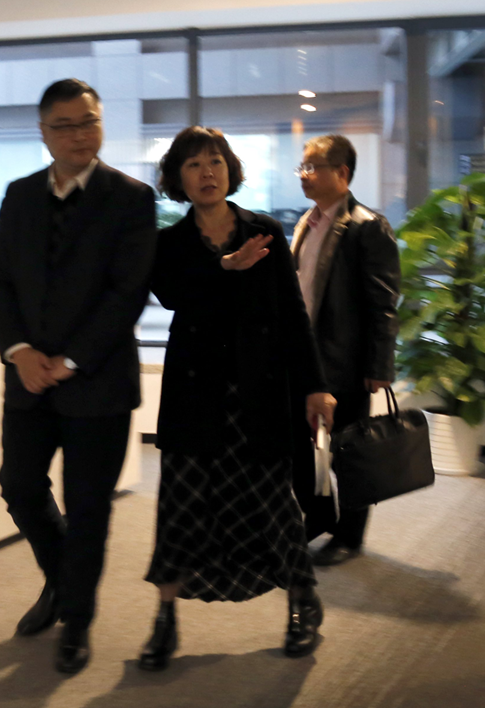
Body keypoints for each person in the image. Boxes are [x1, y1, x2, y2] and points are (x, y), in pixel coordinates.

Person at [138, 126, 337, 672]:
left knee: (274, 502)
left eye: (216, 162)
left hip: (258, 391)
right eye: (194, 164)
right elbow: (173, 294)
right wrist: (224, 266)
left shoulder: (264, 230)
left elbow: (293, 314)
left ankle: (302, 600)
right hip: (193, 393)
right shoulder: (170, 243)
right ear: (178, 178)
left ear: (230, 170)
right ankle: (164, 618)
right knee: (180, 505)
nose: (207, 172)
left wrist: (316, 384)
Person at [0, 78, 157, 674]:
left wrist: (72, 359)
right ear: (43, 133)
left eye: (89, 123)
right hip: (29, 380)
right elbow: (1, 281)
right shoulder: (19, 195)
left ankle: (77, 621)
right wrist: (19, 351)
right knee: (19, 486)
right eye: (65, 126)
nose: (79, 136)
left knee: (88, 508)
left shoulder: (130, 198)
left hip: (98, 382)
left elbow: (127, 291)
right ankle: (63, 582)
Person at [291, 134, 400, 566]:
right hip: (306, 356)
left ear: (342, 173)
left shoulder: (367, 226)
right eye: (302, 167)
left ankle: (350, 537)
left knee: (349, 452)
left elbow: (383, 303)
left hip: (345, 360)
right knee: (301, 447)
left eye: (312, 167)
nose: (304, 174)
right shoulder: (307, 221)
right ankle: (321, 516)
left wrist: (379, 365)